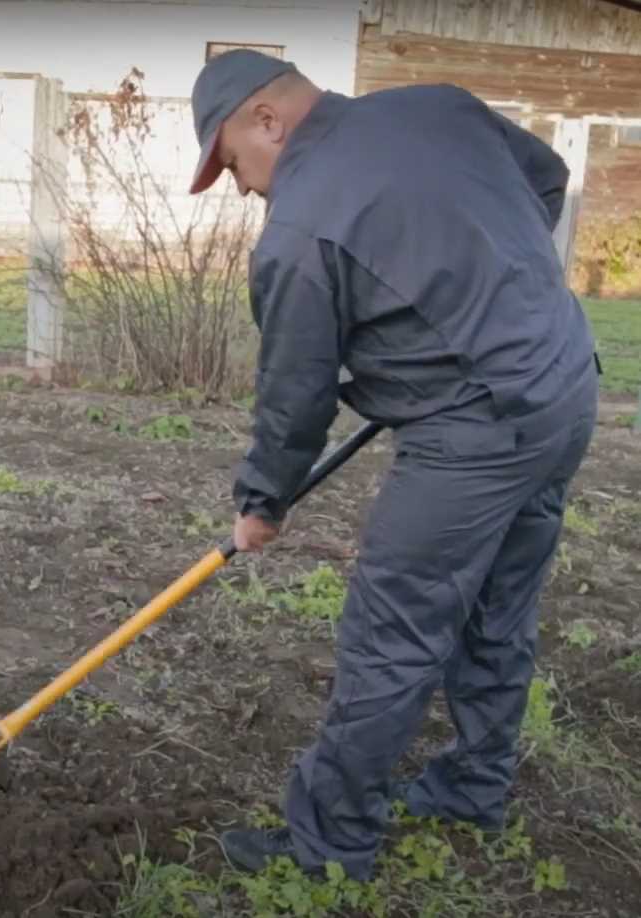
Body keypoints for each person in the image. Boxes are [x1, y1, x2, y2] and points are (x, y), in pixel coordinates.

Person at [187, 49, 600, 881]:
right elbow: (547, 180)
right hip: (565, 387)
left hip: (478, 435)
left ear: (268, 120)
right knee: (497, 608)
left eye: (231, 161)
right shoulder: (438, 105)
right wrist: (503, 300)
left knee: (392, 634)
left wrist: (263, 501)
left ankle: (328, 844)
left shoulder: (300, 227)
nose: (239, 186)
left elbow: (295, 395)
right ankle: (473, 787)